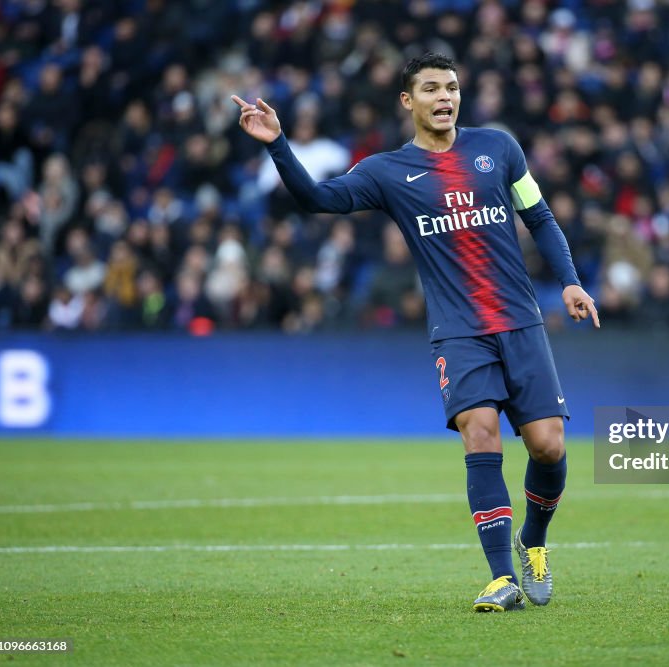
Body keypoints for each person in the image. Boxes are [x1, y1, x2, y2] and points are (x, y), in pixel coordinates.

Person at [231, 52, 599, 612]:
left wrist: (570, 282)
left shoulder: (498, 148)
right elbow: (316, 199)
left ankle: (535, 541)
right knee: (480, 431)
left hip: (519, 319)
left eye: (451, 87)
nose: (445, 97)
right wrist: (279, 144)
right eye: (431, 89)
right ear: (408, 101)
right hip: (457, 329)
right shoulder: (386, 171)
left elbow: (540, 217)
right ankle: (502, 577)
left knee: (548, 447)